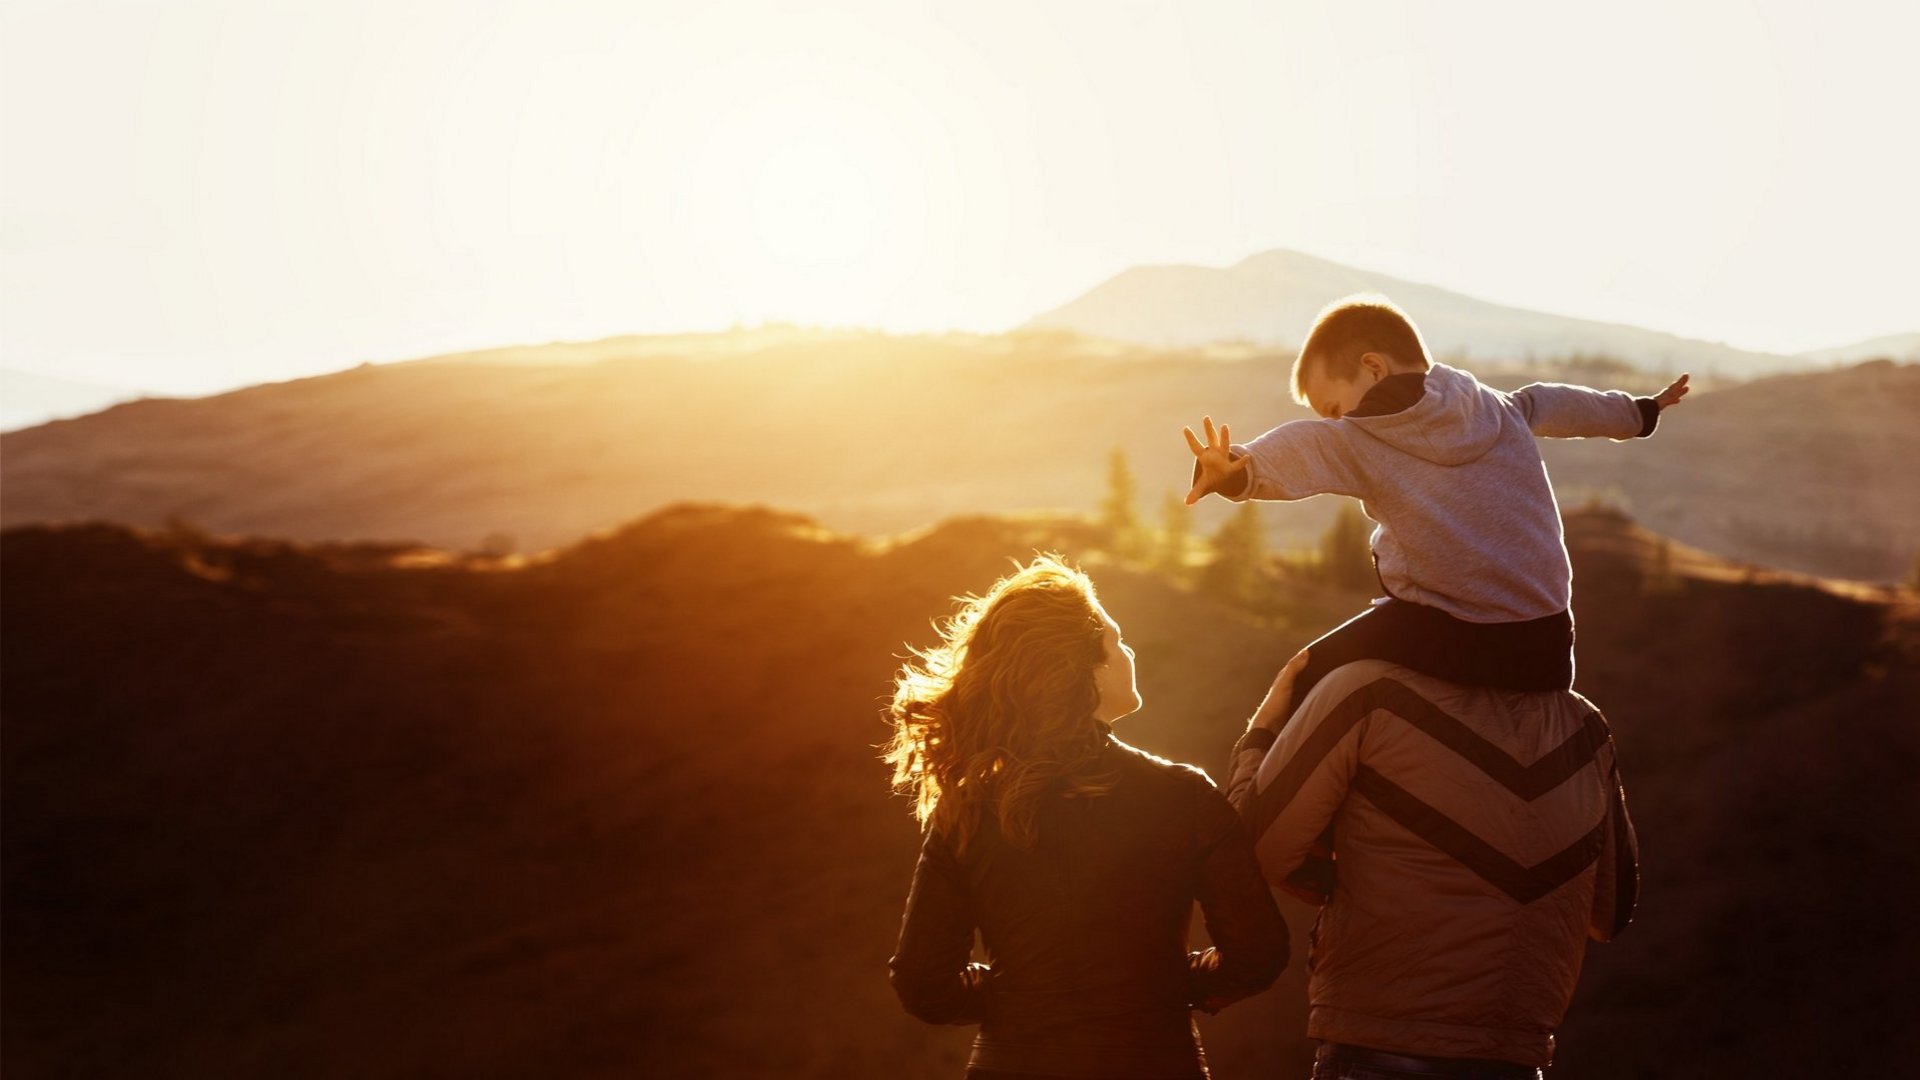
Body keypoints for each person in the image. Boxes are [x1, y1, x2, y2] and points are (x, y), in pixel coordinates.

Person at [1184, 293, 1683, 899]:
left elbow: (1302, 447)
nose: (1336, 420)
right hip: (1549, 643)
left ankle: (1304, 846)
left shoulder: (1360, 438)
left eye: (1335, 405)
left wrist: (1235, 471)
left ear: (1373, 368)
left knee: (1303, 675)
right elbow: (1562, 403)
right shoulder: (1500, 408)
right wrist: (1640, 412)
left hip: (1448, 627)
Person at [885, 555, 1288, 1080]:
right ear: (1086, 668)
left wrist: (1019, 994)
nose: (1129, 652)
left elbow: (923, 985)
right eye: (1116, 641)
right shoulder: (1183, 797)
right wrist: (1166, 985)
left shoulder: (969, 807)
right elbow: (1258, 954)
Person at [1224, 650, 1639, 1078]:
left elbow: (1252, 856)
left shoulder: (1366, 690)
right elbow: (1612, 911)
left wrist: (1261, 733)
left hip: (1377, 1053)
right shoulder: (1585, 726)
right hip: (1515, 1060)